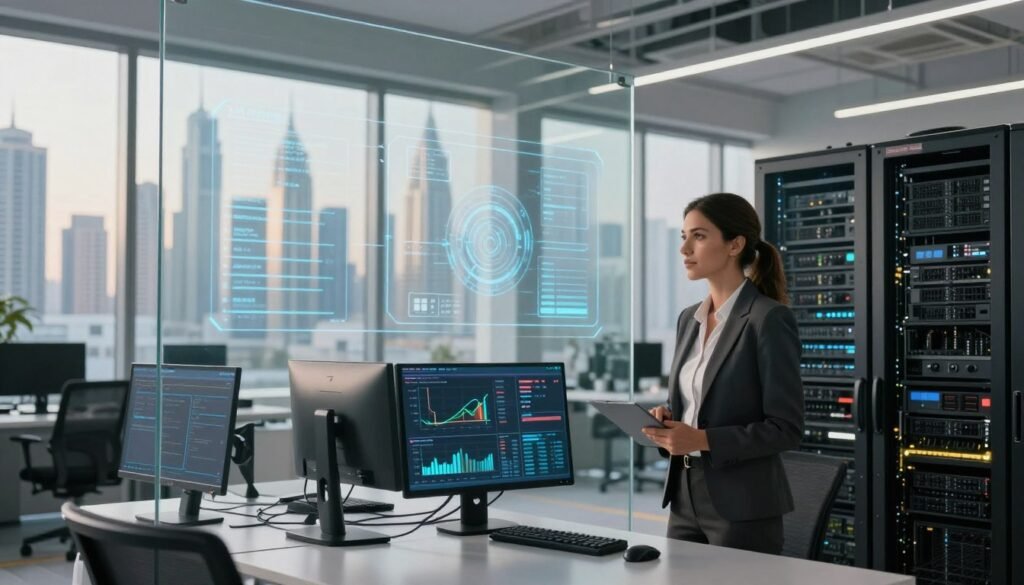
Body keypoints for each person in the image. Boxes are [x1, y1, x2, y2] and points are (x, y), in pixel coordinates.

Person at [642, 192, 804, 555]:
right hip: (683, 496)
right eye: (683, 236)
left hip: (742, 505)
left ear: (735, 244)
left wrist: (702, 440)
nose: (685, 248)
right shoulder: (689, 318)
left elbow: (786, 429)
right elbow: (697, 404)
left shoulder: (768, 319)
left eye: (698, 236)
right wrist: (669, 420)